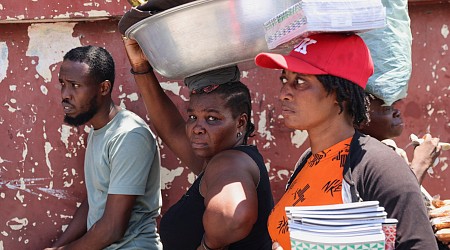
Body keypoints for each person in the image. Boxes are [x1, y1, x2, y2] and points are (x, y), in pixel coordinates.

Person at [254, 33, 438, 250]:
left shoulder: (378, 167)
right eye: (284, 79)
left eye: (300, 82)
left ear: (341, 95)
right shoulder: (308, 160)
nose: (284, 93)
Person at [122, 37, 274, 249]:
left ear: (240, 122)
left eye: (212, 118)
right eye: (193, 117)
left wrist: (209, 246)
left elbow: (234, 217)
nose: (197, 127)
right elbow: (172, 129)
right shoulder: (218, 159)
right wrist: (141, 68)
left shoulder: (229, 163)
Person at [46, 45, 162, 249]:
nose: (65, 94)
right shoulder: (99, 129)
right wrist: (58, 246)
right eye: (62, 84)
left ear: (104, 88)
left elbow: (112, 228)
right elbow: (95, 199)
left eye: (75, 85)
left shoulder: (128, 135)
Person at [358, 94, 442, 184]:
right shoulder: (363, 160)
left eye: (393, 105)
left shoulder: (391, 151)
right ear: (360, 121)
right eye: (387, 109)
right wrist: (421, 163)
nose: (397, 112)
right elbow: (404, 196)